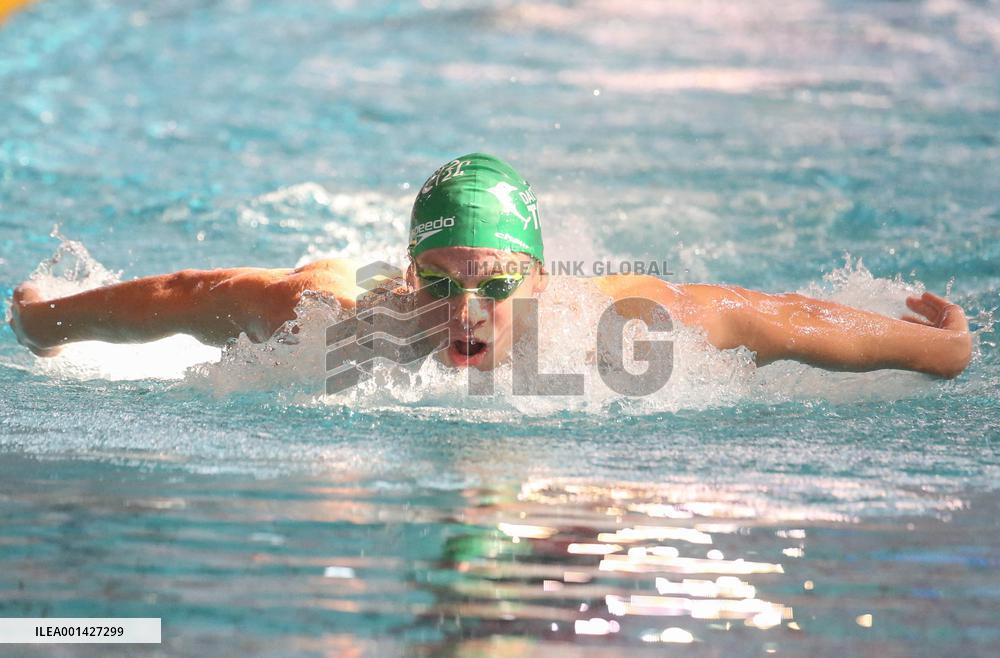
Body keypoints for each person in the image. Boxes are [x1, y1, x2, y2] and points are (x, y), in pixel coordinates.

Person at [8, 153, 972, 379]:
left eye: (500, 281)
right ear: (410, 274)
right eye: (443, 280)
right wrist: (41, 319)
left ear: (539, 279)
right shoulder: (331, 321)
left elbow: (782, 317)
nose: (470, 304)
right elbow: (179, 299)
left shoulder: (616, 326)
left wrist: (944, 352)